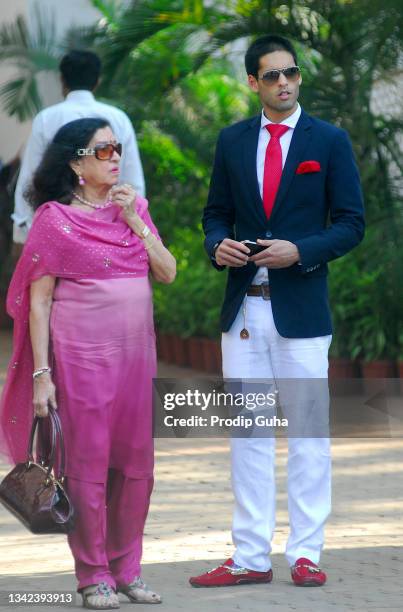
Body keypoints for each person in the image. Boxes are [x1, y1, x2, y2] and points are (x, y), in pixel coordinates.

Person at [190, 35, 364, 588]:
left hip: (302, 312)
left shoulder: (329, 141)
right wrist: (218, 244)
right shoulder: (232, 141)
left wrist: (302, 250)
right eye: (271, 75)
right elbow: (215, 214)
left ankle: (306, 553)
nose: (284, 82)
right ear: (252, 83)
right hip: (244, 312)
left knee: (310, 434)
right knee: (250, 437)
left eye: (291, 72)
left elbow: (351, 222)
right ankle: (249, 558)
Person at [0, 117, 176, 609]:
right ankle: (93, 575)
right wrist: (41, 376)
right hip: (82, 361)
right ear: (77, 163)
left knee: (137, 466)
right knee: (88, 467)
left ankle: (129, 570)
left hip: (137, 361)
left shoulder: (133, 209)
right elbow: (38, 303)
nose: (116, 157)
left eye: (117, 148)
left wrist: (136, 222)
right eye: (103, 151)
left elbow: (167, 272)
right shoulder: (55, 220)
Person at [12, 50, 145, 245]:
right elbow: (133, 182)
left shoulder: (47, 118)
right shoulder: (118, 119)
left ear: (62, 81)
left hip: (56, 230)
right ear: (97, 81)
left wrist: (24, 232)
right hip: (110, 232)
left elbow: (30, 177)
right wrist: (134, 229)